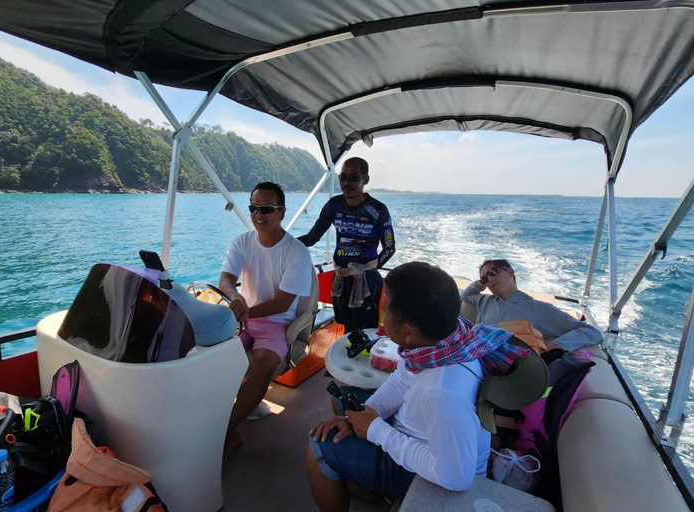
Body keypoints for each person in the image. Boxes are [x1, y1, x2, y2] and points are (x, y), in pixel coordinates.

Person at [306, 262, 530, 511]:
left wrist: (376, 430)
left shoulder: (443, 392)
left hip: (431, 473)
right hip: (418, 432)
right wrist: (369, 413)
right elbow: (402, 379)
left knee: (318, 448)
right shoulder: (447, 341)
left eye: (385, 312)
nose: (383, 317)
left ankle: (371, 479)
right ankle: (370, 487)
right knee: (342, 401)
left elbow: (456, 478)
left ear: (407, 331)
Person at [219, 182, 312, 459]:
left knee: (262, 366)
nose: (260, 214)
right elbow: (226, 279)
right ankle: (226, 423)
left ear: (282, 212)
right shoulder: (242, 242)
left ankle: (222, 432)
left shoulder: (296, 251)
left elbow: (283, 303)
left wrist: (246, 310)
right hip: (242, 316)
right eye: (254, 208)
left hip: (276, 322)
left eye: (267, 208)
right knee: (208, 355)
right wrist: (236, 298)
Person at [298, 157, 395, 332]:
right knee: (346, 327)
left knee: (365, 330)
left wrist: (371, 267)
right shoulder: (334, 205)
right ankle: (346, 357)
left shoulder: (378, 210)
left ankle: (363, 357)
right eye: (343, 177)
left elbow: (389, 247)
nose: (346, 183)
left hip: (365, 280)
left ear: (365, 179)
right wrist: (283, 242)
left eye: (353, 178)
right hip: (341, 279)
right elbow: (312, 238)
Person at [461, 259, 603, 352]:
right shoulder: (484, 300)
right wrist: (482, 282)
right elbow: (465, 295)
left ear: (510, 272)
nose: (490, 279)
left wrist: (555, 346)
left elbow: (592, 332)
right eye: (485, 278)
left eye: (493, 272)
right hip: (471, 355)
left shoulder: (538, 309)